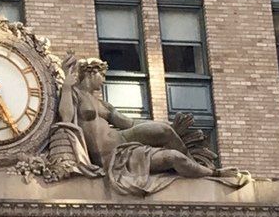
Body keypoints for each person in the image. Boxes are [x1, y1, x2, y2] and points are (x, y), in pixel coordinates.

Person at [58, 53, 236, 180]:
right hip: (113, 156)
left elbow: (129, 123)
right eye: (102, 74)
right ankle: (211, 173)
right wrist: (66, 86)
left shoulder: (104, 105)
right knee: (173, 157)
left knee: (163, 130)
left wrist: (164, 126)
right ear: (91, 72)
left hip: (123, 140)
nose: (103, 80)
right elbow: (66, 118)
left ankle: (196, 163)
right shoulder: (75, 94)